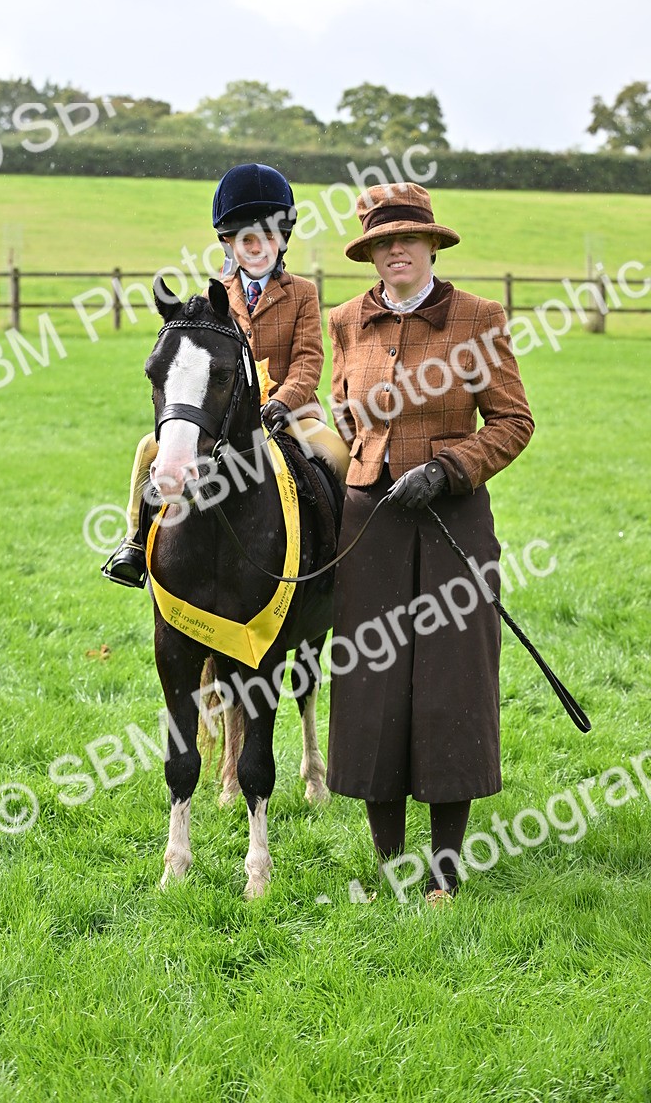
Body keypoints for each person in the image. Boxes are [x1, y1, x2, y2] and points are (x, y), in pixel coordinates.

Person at [326, 182, 534, 906]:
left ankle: (444, 869)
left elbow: (512, 421)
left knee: (452, 684)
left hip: (454, 523)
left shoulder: (478, 317)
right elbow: (346, 413)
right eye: (384, 243)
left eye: (409, 239)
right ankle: (390, 861)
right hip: (369, 524)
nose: (397, 252)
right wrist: (362, 449)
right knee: (371, 683)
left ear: (433, 244)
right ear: (371, 254)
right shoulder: (346, 320)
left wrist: (447, 469)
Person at [107, 162, 350, 586]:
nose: (257, 247)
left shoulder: (304, 294)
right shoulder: (212, 297)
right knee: (150, 448)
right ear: (228, 243)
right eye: (246, 239)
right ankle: (133, 540)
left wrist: (283, 400)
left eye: (268, 237)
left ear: (283, 240)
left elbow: (309, 361)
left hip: (292, 414)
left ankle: (341, 555)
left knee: (337, 454)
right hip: (224, 414)